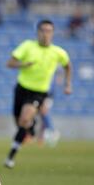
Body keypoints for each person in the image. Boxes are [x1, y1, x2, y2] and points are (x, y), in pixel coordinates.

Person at [4, 19, 72, 169]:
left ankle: (10, 157)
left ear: (53, 33)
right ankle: (32, 126)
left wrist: (67, 84)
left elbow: (68, 66)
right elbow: (9, 63)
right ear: (38, 32)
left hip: (39, 92)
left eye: (49, 31)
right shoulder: (28, 46)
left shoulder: (58, 52)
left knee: (23, 120)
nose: (45, 34)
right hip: (21, 88)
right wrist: (23, 64)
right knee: (20, 122)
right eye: (43, 30)